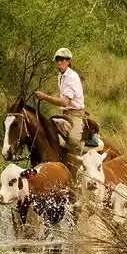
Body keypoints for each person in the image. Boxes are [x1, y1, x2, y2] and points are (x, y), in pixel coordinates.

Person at [35, 47, 87, 177]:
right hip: (65, 114)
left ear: (68, 61)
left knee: (73, 141)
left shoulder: (72, 77)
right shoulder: (61, 76)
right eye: (57, 60)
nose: (59, 62)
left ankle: (78, 173)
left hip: (76, 114)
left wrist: (44, 97)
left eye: (62, 60)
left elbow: (64, 102)